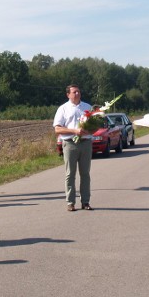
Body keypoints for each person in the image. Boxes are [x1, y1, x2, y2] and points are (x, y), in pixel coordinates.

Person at [53, 84, 93, 212]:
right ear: (68, 94)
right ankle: (70, 202)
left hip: (86, 143)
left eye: (78, 92)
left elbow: (95, 125)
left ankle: (85, 201)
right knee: (70, 174)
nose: (77, 94)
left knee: (85, 174)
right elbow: (57, 129)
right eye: (74, 92)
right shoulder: (63, 109)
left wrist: (90, 129)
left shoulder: (87, 107)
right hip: (70, 144)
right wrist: (74, 131)